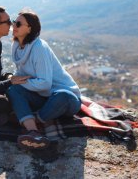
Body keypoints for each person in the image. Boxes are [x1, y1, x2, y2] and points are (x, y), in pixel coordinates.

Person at [7, 9, 82, 150]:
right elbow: (21, 75)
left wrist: (21, 80)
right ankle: (33, 132)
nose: (14, 26)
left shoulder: (39, 48)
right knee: (12, 88)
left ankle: (32, 121)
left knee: (62, 95)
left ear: (30, 29)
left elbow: (45, 83)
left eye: (18, 24)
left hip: (65, 99)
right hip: (42, 98)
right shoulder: (17, 46)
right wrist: (15, 80)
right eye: (13, 22)